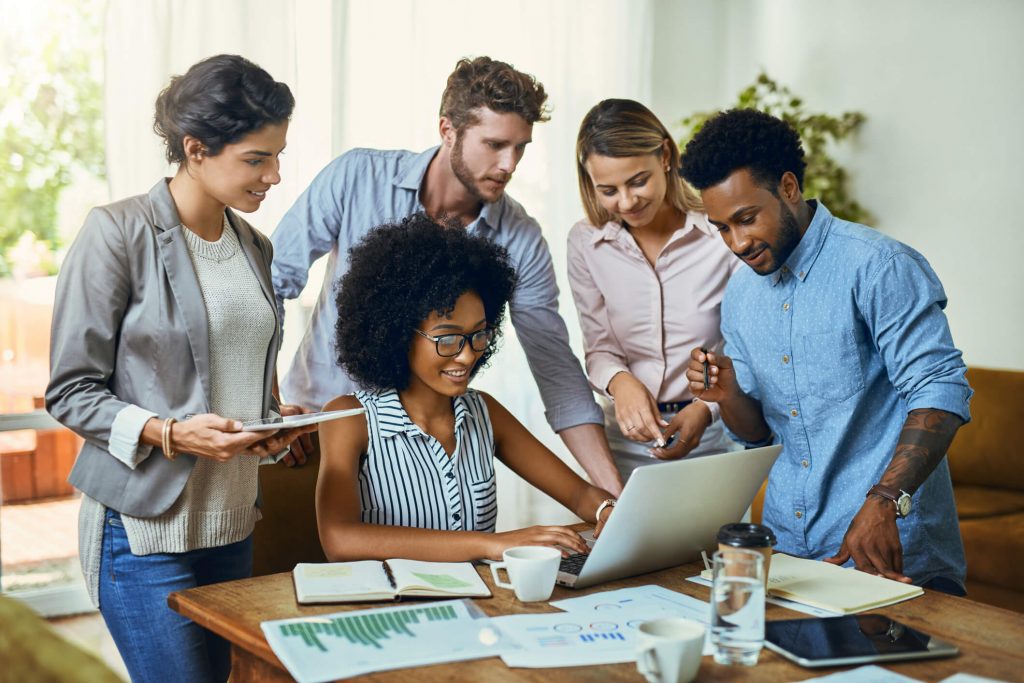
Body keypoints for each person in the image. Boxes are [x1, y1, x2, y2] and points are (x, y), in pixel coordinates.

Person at [45, 55, 312, 682]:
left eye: (278, 156)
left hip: (231, 523)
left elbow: (232, 377)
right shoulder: (117, 233)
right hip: (143, 532)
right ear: (195, 149)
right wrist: (170, 432)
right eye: (256, 159)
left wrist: (270, 426)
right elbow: (70, 391)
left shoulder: (256, 247)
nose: (274, 176)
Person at [271, 56, 623, 494]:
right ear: (447, 130)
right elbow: (268, 286)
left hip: (421, 457)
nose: (509, 164)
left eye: (520, 147)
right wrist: (268, 406)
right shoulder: (357, 177)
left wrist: (614, 497)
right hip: (313, 433)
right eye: (495, 144)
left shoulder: (521, 237)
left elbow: (555, 367)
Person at [678, 108, 971, 592]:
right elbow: (758, 435)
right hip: (789, 553)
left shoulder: (878, 266)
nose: (738, 243)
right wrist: (728, 393)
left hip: (891, 552)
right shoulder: (741, 295)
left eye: (746, 219)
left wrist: (883, 500)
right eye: (722, 228)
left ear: (788, 187)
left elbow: (939, 391)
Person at [315, 214, 616, 561]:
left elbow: (579, 495)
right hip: (391, 595)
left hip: (483, 594)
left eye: (479, 335)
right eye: (448, 339)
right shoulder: (349, 419)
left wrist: (606, 510)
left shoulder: (484, 412)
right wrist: (491, 544)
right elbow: (339, 540)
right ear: (398, 334)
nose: (468, 354)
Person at [568, 99, 740, 482]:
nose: (626, 202)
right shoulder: (585, 242)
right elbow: (599, 345)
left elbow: (746, 347)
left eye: (637, 181)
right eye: (608, 190)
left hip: (713, 439)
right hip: (623, 442)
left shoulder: (720, 234)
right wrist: (620, 381)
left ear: (664, 156)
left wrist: (706, 409)